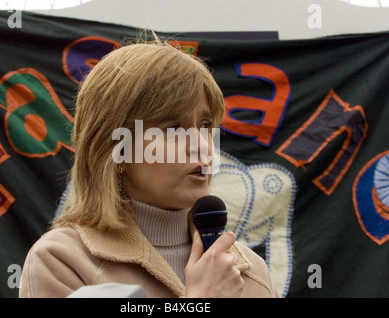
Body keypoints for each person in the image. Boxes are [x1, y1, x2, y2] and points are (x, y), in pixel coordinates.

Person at [19, 36, 280, 298]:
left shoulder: (249, 270)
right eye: (174, 128)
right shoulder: (61, 261)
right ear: (115, 148)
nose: (202, 145)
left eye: (205, 126)